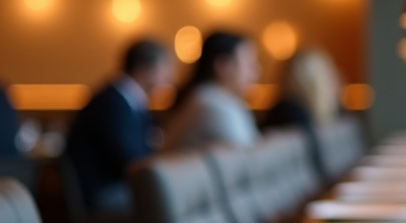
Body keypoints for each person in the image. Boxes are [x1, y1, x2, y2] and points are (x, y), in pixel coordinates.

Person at [65, 39, 174, 212]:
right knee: (169, 200)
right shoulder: (111, 103)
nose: (170, 77)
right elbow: (130, 161)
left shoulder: (126, 98)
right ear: (143, 70)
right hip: (102, 193)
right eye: (165, 68)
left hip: (117, 185)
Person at [164, 30, 261, 150]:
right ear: (222, 65)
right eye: (249, 64)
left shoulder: (219, 99)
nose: (256, 73)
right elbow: (249, 158)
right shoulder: (212, 105)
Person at [264, 47, 343, 177]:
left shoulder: (294, 109)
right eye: (328, 76)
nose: (333, 83)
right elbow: (315, 166)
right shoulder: (291, 113)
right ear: (314, 81)